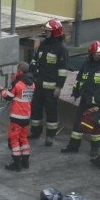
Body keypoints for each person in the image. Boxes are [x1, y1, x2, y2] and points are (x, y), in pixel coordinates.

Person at [61, 40, 100, 156]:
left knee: (96, 126)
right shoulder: (86, 64)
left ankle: (94, 149)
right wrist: (76, 92)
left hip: (97, 102)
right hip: (85, 99)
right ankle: (73, 146)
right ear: (91, 54)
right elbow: (79, 79)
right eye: (96, 53)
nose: (98, 56)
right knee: (78, 123)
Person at [29, 18, 69, 146]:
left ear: (55, 32)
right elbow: (36, 61)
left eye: (48, 31)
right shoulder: (43, 44)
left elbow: (63, 70)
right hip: (38, 85)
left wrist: (59, 87)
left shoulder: (61, 49)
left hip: (51, 88)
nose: (45, 32)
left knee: (51, 112)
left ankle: (50, 136)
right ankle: (35, 132)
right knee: (36, 110)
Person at [0, 61, 35, 171]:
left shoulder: (17, 84)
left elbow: (8, 96)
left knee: (14, 139)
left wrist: (1, 90)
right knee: (24, 139)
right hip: (26, 116)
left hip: (16, 117)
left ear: (19, 71)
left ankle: (16, 164)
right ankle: (25, 162)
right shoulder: (32, 84)